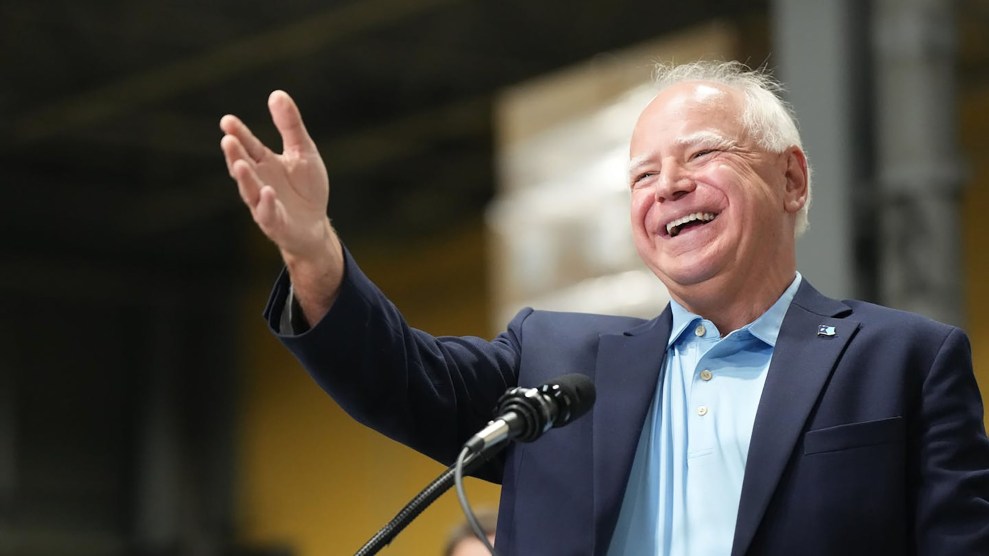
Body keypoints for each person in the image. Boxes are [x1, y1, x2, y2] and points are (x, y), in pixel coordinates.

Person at [219, 61, 989, 555]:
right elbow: (396, 376)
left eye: (701, 156)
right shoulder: (554, 363)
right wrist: (315, 254)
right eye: (643, 175)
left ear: (790, 180)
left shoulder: (904, 362)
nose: (668, 186)